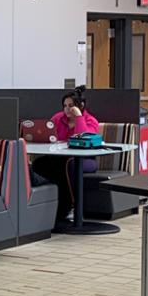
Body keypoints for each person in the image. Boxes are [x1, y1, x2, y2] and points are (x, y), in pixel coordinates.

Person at [33, 85, 101, 227]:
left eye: (71, 105)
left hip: (85, 160)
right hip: (60, 158)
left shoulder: (90, 121)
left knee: (68, 166)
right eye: (65, 106)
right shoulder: (58, 118)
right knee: (39, 164)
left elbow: (84, 137)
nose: (67, 109)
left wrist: (79, 117)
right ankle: (51, 204)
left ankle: (71, 206)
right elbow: (49, 133)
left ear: (80, 105)